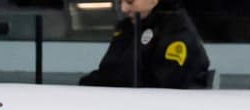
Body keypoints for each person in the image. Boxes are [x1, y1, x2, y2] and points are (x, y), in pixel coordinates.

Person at [79, 0, 211, 89]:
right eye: (120, 2)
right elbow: (108, 71)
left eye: (130, 2)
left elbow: (166, 84)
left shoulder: (176, 30)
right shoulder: (127, 28)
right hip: (124, 106)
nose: (124, 8)